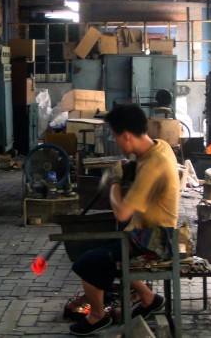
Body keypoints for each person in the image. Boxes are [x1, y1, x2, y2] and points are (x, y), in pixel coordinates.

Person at [68, 104, 180, 336]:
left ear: (127, 136)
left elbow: (122, 213)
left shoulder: (153, 164)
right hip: (148, 231)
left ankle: (97, 316)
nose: (116, 142)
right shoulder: (160, 146)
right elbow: (142, 168)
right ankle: (149, 299)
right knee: (101, 250)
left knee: (87, 262)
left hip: (155, 239)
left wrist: (115, 183)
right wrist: (129, 167)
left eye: (116, 137)